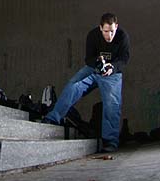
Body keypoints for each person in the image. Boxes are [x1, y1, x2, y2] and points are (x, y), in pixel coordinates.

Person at [42, 13, 130, 152]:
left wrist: (112, 67)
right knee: (73, 85)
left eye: (112, 31)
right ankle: (53, 118)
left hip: (112, 74)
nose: (109, 36)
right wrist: (97, 63)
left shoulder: (122, 36)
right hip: (93, 69)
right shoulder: (93, 35)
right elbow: (88, 59)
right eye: (106, 31)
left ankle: (110, 142)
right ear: (100, 28)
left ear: (116, 27)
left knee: (112, 103)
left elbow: (124, 58)